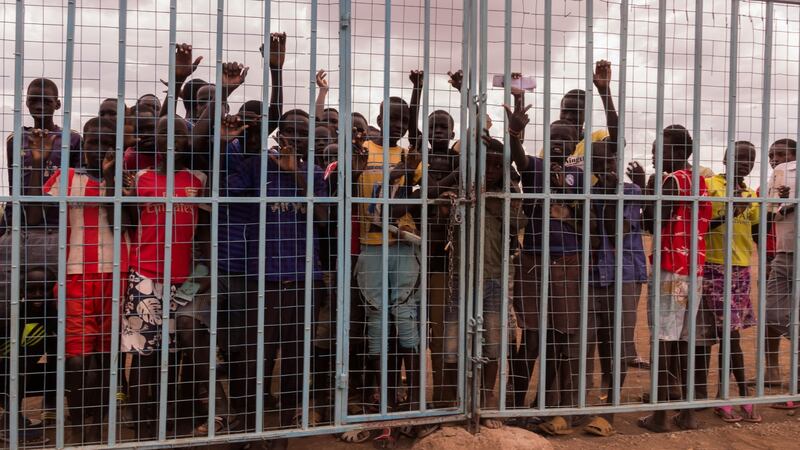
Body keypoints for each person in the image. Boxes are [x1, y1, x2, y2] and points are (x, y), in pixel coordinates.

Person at [227, 108, 327, 450]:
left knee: (297, 356)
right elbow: (226, 192)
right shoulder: (258, 166)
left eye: (301, 135)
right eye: (288, 133)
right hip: (263, 279)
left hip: (302, 278)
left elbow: (325, 216)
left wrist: (296, 173)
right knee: (257, 356)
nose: (293, 140)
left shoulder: (313, 172)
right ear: (279, 135)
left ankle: (284, 430)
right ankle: (251, 428)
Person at [120, 114, 207, 439]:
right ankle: (144, 424)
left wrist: (200, 276)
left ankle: (171, 418)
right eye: (163, 133)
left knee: (178, 350)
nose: (172, 140)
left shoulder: (198, 179)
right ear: (152, 140)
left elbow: (204, 235)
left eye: (180, 135)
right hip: (145, 279)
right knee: (144, 354)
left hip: (185, 280)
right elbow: (128, 224)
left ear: (188, 142)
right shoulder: (138, 178)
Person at [42, 117, 125, 444]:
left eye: (107, 143)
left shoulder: (123, 180)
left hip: (115, 276)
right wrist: (37, 164)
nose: (99, 148)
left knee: (107, 357)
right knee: (76, 359)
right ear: (82, 146)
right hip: (75, 277)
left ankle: (96, 424)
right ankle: (77, 422)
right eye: (93, 142)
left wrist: (111, 179)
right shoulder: (65, 178)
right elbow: (35, 218)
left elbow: (125, 223)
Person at [508, 104, 586, 434]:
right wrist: (514, 133)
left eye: (564, 140)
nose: (557, 143)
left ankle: (542, 403)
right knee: (532, 338)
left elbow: (587, 221)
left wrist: (567, 199)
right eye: (552, 138)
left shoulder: (580, 176)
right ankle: (513, 405)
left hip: (568, 264)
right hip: (534, 263)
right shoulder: (536, 167)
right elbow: (519, 158)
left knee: (557, 338)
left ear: (575, 144)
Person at [637, 125, 711, 433]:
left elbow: (652, 222)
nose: (654, 157)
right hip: (692, 269)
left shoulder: (672, 181)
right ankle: (687, 412)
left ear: (679, 153)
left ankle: (660, 414)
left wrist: (644, 188)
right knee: (682, 339)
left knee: (662, 338)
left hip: (670, 268)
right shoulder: (699, 180)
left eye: (658, 151)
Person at [695, 141, 761, 423]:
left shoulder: (751, 195)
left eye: (749, 159)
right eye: (738, 157)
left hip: (740, 271)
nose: (744, 163)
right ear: (725, 158)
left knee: (730, 335)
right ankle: (733, 395)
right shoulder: (710, 187)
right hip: (713, 267)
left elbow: (756, 231)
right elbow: (700, 224)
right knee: (723, 336)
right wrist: (729, 212)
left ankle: (735, 395)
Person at [477, 135, 526, 428]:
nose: (492, 170)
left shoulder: (509, 194)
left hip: (499, 271)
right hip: (467, 272)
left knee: (498, 333)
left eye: (499, 165)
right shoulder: (469, 188)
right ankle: (468, 396)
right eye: (487, 164)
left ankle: (491, 393)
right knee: (471, 334)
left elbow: (518, 222)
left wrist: (509, 183)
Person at [0, 267, 57, 445]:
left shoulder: (54, 314)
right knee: (19, 365)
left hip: (27, 371)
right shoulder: (15, 314)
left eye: (44, 288)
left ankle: (12, 419)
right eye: (31, 290)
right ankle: (11, 426)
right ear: (22, 291)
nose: (38, 294)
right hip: (7, 372)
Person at [765, 138, 800, 410]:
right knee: (773, 312)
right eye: (771, 156)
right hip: (782, 252)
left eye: (779, 155)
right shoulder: (774, 180)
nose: (774, 159)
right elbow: (767, 213)